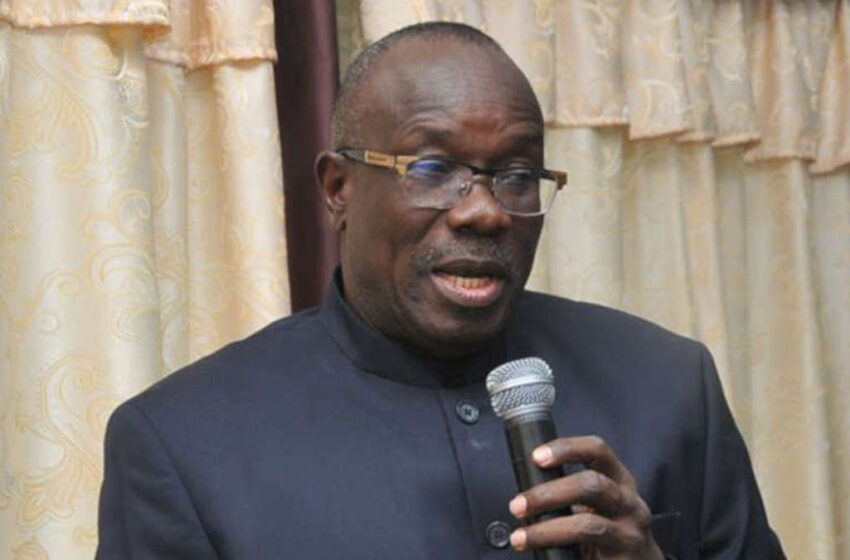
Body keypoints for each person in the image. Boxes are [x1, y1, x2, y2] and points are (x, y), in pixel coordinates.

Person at [96, 22, 785, 559]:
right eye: (432, 169)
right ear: (338, 189)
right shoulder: (182, 444)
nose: (484, 212)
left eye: (518, 176)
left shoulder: (667, 384)